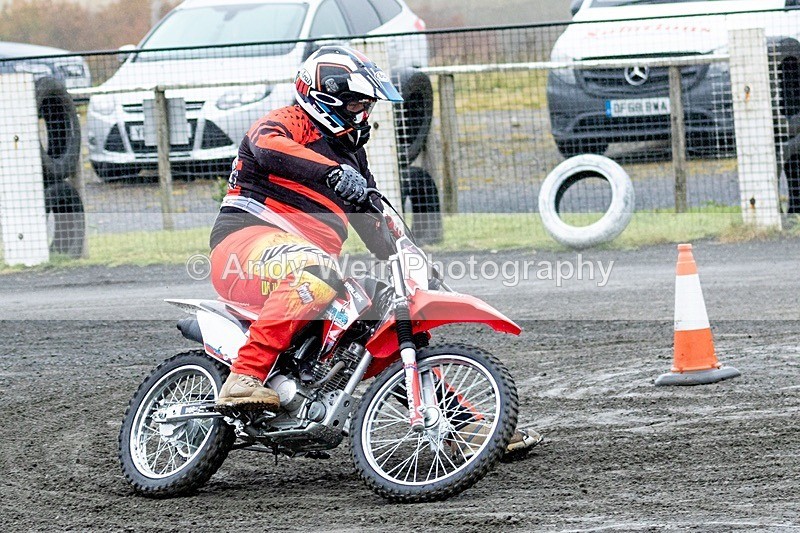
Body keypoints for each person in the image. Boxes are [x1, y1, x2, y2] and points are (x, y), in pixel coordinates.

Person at [209, 45, 540, 455]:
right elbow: (266, 147)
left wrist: (413, 262)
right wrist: (332, 173)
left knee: (385, 319)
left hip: (304, 266)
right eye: (354, 104)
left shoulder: (353, 158)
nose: (361, 113)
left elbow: (376, 223)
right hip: (245, 245)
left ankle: (462, 428)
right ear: (322, 96)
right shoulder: (285, 122)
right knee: (320, 271)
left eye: (366, 105)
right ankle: (245, 375)